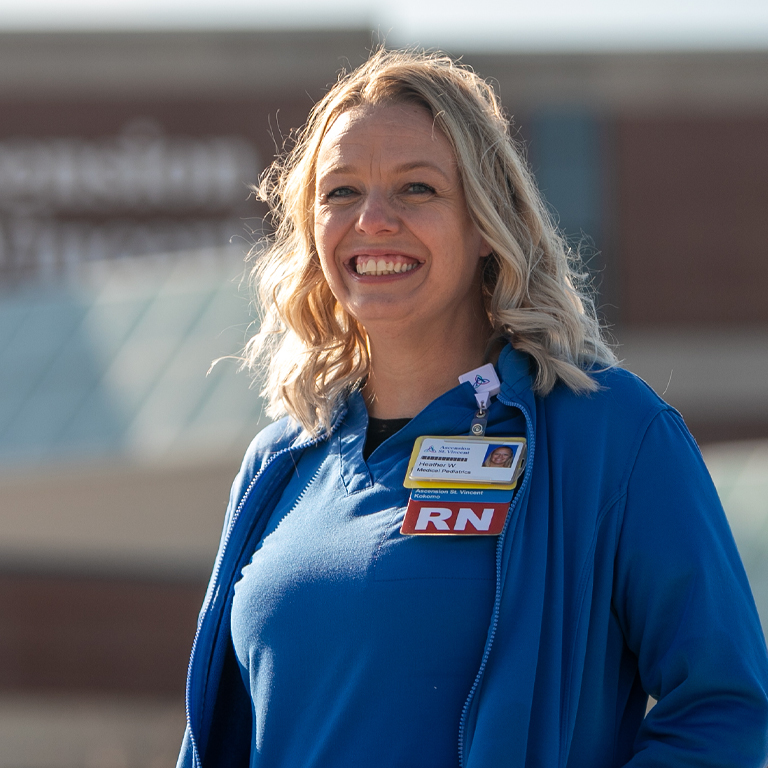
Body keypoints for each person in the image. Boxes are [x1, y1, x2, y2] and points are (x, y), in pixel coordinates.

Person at [178, 49, 768, 767]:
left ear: (487, 222)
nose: (373, 220)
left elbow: (724, 711)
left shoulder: (609, 435)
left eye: (416, 188)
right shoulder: (277, 464)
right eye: (340, 192)